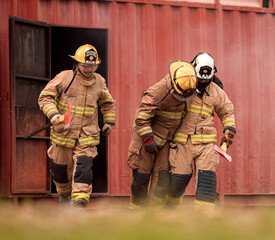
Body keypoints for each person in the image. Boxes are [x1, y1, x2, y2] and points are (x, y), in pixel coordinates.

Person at [38, 44, 115, 208]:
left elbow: (107, 103)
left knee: (83, 168)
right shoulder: (65, 78)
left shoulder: (99, 81)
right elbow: (45, 97)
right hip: (63, 134)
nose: (89, 69)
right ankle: (64, 196)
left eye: (92, 65)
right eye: (85, 65)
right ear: (77, 63)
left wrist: (108, 122)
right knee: (60, 171)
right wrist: (54, 115)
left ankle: (79, 203)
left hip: (87, 136)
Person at [167, 52, 236, 208]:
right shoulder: (182, 83)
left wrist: (229, 132)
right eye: (200, 78)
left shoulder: (216, 91)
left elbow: (227, 112)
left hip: (206, 144)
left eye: (207, 79)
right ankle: (169, 214)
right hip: (182, 143)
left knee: (206, 182)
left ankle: (204, 219)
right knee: (178, 181)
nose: (203, 81)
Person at [127, 60, 197, 208]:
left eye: (188, 93)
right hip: (146, 138)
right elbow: (141, 118)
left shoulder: (189, 83)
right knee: (141, 176)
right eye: (183, 92)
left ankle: (155, 211)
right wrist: (147, 139)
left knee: (162, 179)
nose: (186, 95)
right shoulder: (158, 92)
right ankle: (137, 210)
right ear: (174, 84)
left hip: (166, 141)